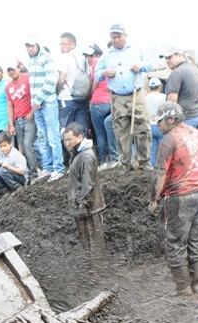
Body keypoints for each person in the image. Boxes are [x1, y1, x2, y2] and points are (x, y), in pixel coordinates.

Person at [148, 102, 198, 296]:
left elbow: (160, 173)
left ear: (171, 119)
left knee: (174, 241)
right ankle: (197, 285)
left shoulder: (168, 140)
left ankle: (183, 287)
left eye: (160, 121)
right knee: (195, 239)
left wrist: (153, 199)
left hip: (178, 196)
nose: (158, 126)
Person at [95, 24, 152, 170]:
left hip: (136, 93)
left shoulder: (136, 50)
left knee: (142, 127)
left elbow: (149, 64)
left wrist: (141, 66)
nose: (116, 40)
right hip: (117, 97)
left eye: (119, 36)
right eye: (113, 37)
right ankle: (125, 163)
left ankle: (144, 162)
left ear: (125, 36)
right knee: (121, 130)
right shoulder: (106, 56)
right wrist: (104, 73)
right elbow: (97, 74)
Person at [63, 122, 107, 263]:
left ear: (80, 137)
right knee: (86, 242)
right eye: (65, 140)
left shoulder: (86, 156)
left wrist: (83, 205)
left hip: (90, 209)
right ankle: (92, 272)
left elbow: (87, 184)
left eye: (70, 139)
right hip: (81, 207)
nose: (67, 143)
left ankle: (99, 273)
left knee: (95, 242)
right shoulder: (77, 154)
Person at [26, 36, 64, 181]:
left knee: (53, 136)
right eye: (28, 46)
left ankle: (58, 167)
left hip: (47, 102)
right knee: (42, 137)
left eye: (32, 46)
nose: (30, 49)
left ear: (38, 45)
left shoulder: (47, 58)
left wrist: (38, 99)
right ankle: (47, 167)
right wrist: (34, 102)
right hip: (37, 106)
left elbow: (51, 81)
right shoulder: (31, 61)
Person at [5, 62, 39, 179]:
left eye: (13, 69)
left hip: (28, 118)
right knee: (23, 150)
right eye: (9, 70)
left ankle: (35, 174)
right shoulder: (8, 87)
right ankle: (28, 173)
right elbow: (10, 105)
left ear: (19, 68)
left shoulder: (28, 78)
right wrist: (11, 124)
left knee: (28, 145)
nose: (11, 72)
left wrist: (32, 112)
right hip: (17, 120)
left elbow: (35, 93)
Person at [56, 32, 91, 135]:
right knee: (80, 131)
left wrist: (56, 93)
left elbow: (62, 80)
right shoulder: (84, 59)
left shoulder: (65, 57)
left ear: (72, 44)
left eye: (64, 44)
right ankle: (82, 151)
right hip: (81, 99)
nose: (61, 47)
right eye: (60, 44)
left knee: (66, 132)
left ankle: (68, 151)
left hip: (66, 99)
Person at [161, 48, 198, 129]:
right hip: (197, 117)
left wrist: (168, 125)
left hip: (185, 120)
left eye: (170, 57)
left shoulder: (177, 73)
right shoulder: (193, 70)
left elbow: (172, 102)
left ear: (179, 55)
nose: (167, 61)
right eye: (165, 58)